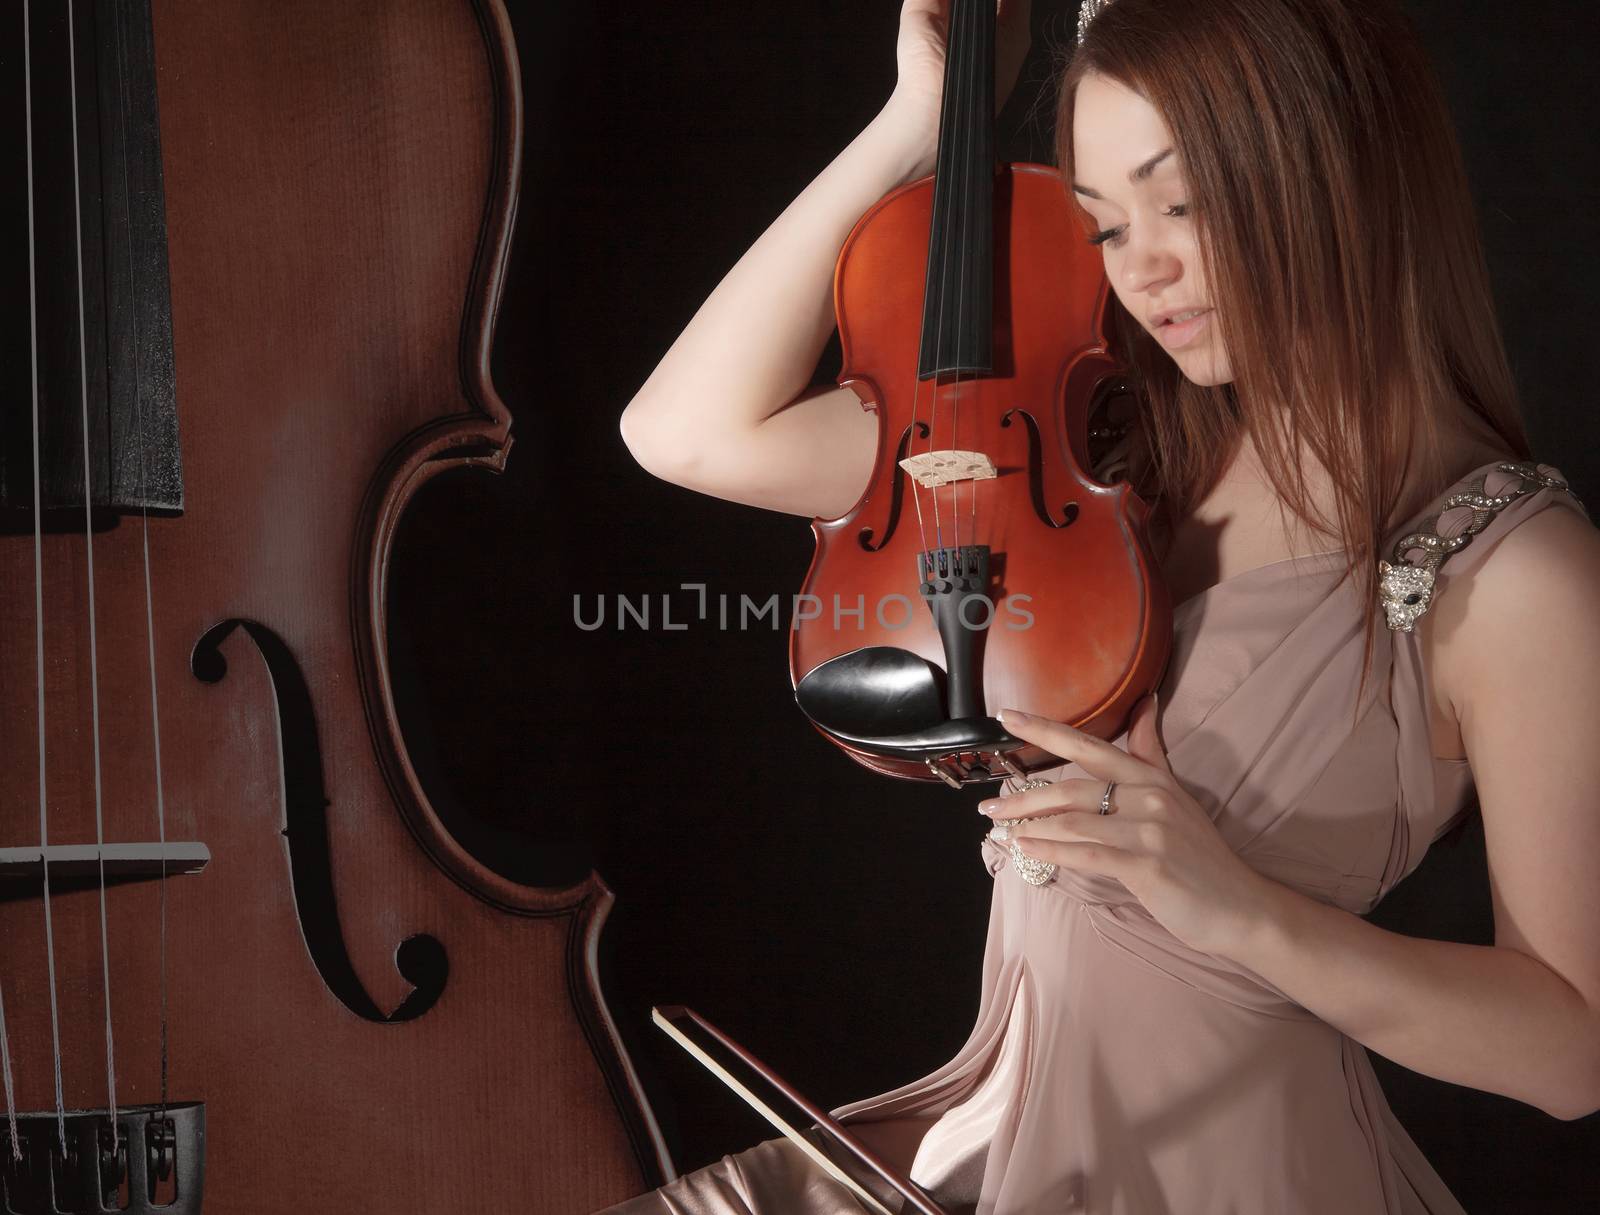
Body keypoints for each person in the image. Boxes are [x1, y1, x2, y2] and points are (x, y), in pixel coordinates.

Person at [602, 0, 1600, 1210]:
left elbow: (1572, 1050)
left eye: (1182, 204)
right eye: (1103, 226)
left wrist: (1242, 912)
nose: (1144, 270)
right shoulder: (1093, 459)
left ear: (1337, 168)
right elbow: (688, 433)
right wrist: (921, 120)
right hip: (1004, 1149)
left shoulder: (1513, 568)